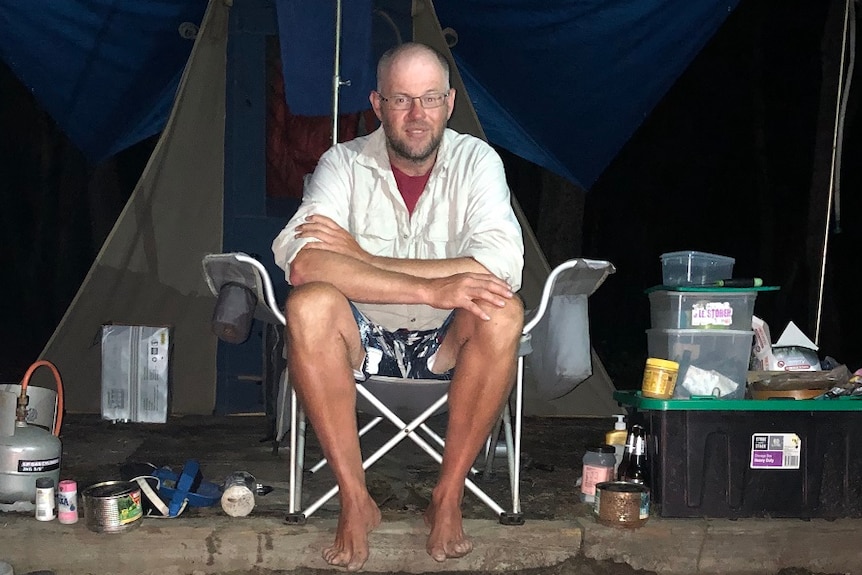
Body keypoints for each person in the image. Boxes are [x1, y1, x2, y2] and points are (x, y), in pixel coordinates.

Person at [271, 42, 524, 571]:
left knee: (500, 310)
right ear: (377, 103)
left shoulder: (478, 162)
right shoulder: (340, 164)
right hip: (359, 339)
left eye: (430, 98)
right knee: (308, 305)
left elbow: (498, 270)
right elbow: (304, 264)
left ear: (450, 102)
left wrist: (362, 258)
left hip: (449, 344)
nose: (417, 115)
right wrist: (435, 287)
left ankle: (448, 495)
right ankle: (353, 497)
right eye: (402, 99)